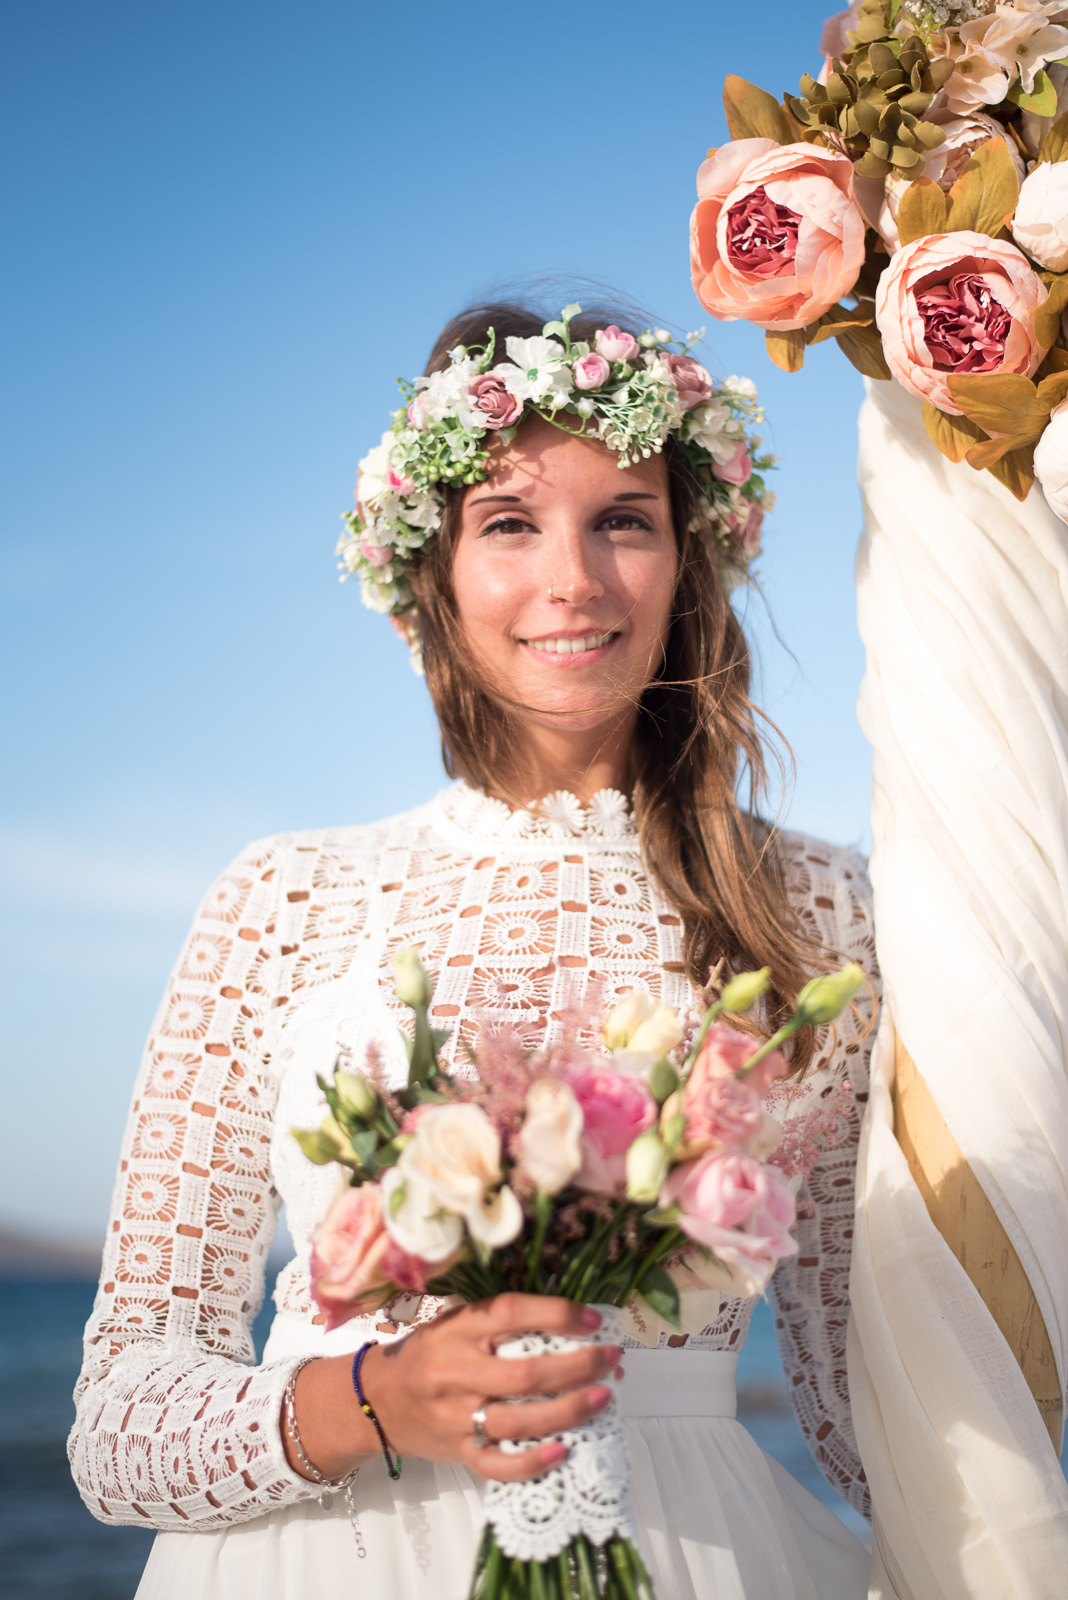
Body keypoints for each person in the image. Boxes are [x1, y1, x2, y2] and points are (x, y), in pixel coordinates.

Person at [69, 297, 878, 1600]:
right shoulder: (282, 899)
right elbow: (121, 1427)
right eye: (510, 523)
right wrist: (372, 1398)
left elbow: (868, 1412)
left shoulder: (824, 915)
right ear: (431, 578)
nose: (574, 578)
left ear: (687, 563)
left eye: (624, 518)